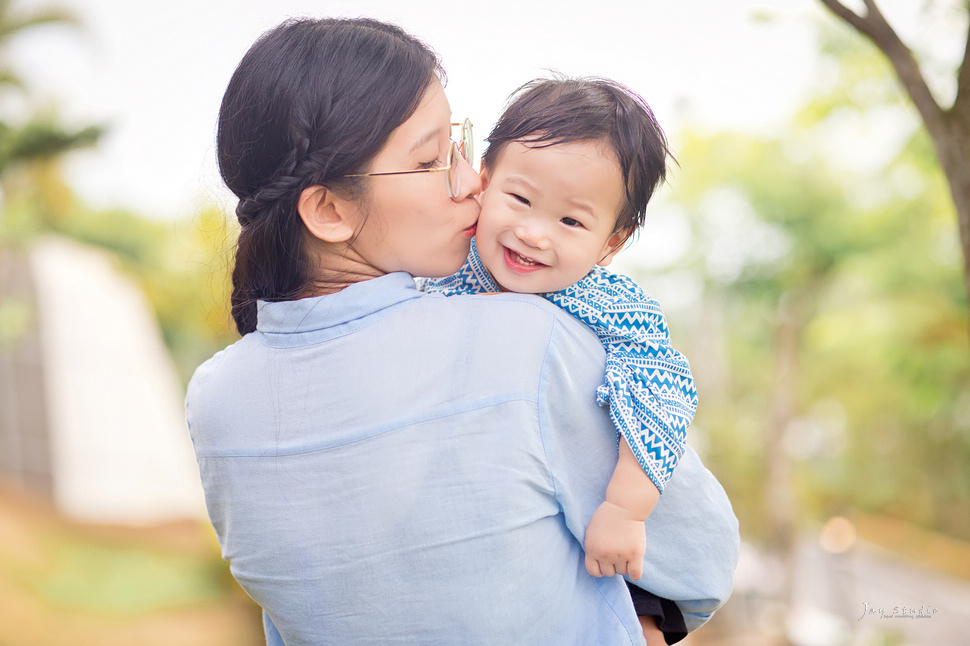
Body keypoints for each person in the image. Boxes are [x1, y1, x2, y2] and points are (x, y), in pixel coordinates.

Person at [186, 16, 739, 646]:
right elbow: (701, 559)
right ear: (330, 211)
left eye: (459, 146)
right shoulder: (528, 340)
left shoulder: (214, 400)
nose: (472, 180)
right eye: (430, 160)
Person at [420, 76, 696, 639]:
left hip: (595, 519)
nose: (533, 233)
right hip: (479, 523)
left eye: (571, 221)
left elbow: (664, 392)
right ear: (485, 182)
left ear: (611, 243)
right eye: (519, 199)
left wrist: (625, 509)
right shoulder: (441, 271)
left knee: (631, 600)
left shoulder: (607, 302)